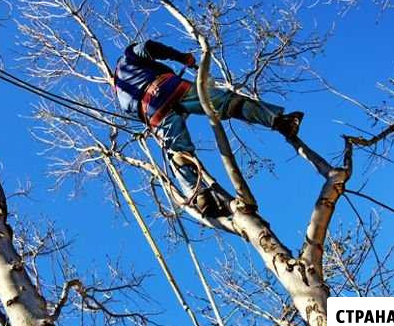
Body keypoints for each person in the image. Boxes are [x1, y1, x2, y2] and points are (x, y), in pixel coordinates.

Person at [114, 39, 304, 217]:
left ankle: (200, 198)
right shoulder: (128, 55)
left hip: (153, 113)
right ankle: (279, 121)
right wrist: (181, 57)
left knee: (177, 152)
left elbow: (141, 115)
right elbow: (149, 46)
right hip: (168, 87)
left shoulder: (121, 94)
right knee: (228, 102)